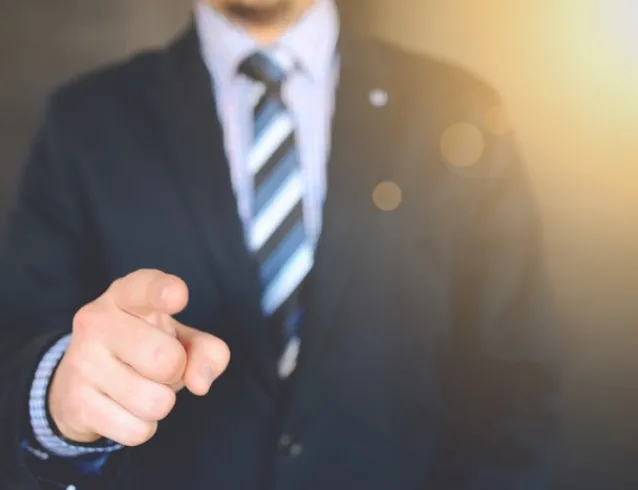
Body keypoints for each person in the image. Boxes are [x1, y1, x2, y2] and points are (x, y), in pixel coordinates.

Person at [0, 0, 562, 489]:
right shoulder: (86, 121)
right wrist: (59, 400)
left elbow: (517, 386)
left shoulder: (456, 108)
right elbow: (19, 345)